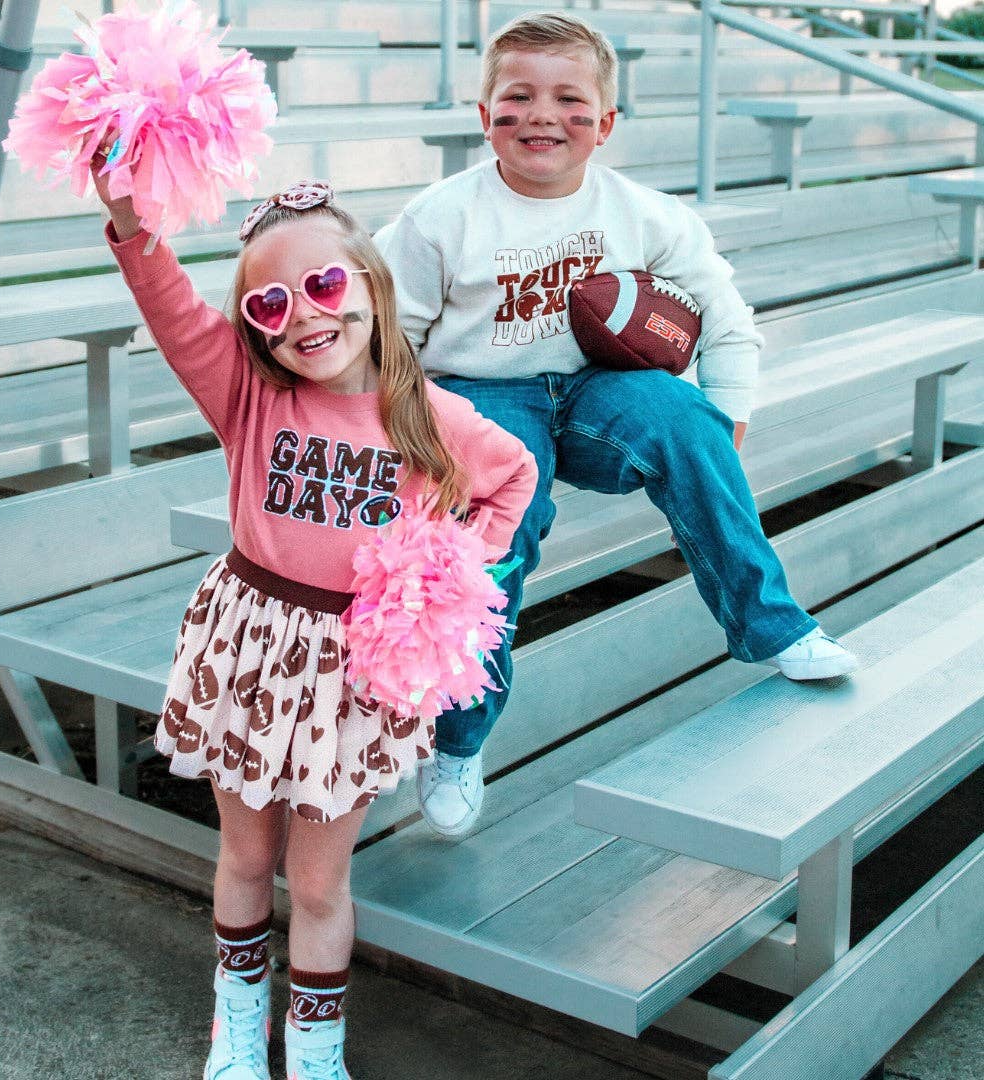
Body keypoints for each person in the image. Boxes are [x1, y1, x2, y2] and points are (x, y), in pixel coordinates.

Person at [93, 165, 537, 1080]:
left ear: (370, 285)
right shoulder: (249, 399)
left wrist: (450, 569)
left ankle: (316, 1044)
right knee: (246, 855)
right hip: (251, 650)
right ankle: (238, 1022)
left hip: (353, 669)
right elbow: (172, 308)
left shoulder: (433, 419)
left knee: (324, 878)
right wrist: (132, 222)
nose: (303, 315)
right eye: (269, 304)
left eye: (325, 285)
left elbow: (515, 477)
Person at [375, 10, 859, 840]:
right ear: (483, 113)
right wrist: (423, 446)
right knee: (506, 523)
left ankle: (773, 625)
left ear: (604, 123)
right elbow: (390, 347)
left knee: (683, 416)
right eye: (517, 96)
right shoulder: (437, 219)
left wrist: (725, 421)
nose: (541, 115)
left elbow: (726, 317)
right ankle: (455, 739)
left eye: (569, 99)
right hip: (479, 391)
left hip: (599, 388)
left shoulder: (646, 213)